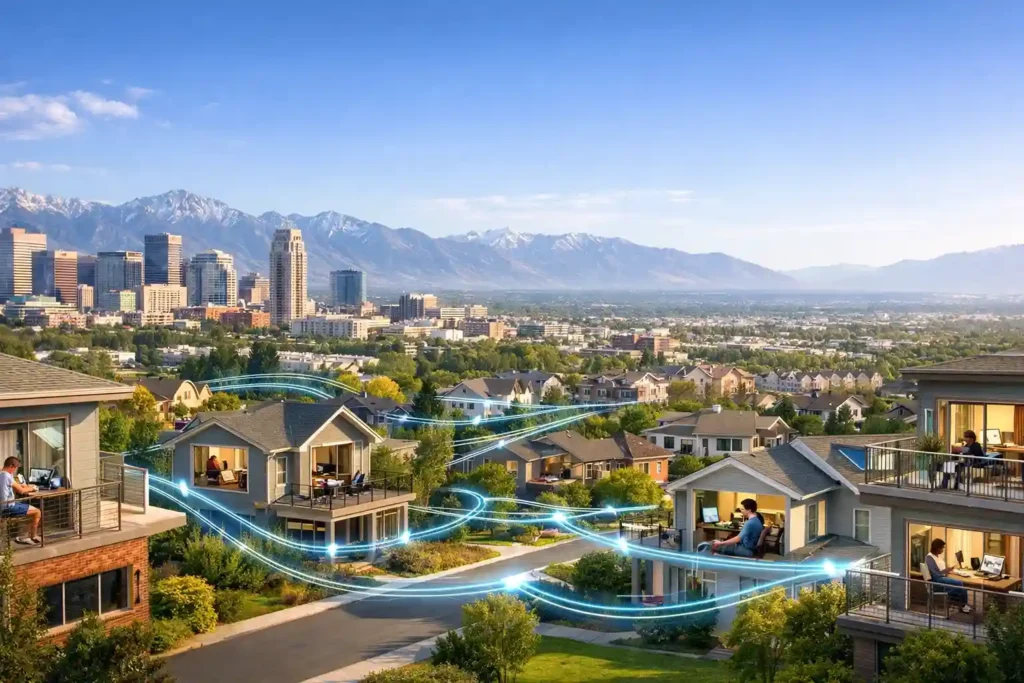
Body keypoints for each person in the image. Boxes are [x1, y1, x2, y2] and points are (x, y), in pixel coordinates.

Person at [0, 456, 42, 545]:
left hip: (4, 505)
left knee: (28, 508)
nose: (15, 470)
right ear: (11, 466)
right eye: (15, 468)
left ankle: (24, 536)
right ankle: (31, 537)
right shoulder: (6, 476)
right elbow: (21, 491)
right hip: (7, 507)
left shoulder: (2, 473)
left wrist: (23, 485)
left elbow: (15, 484)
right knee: (37, 512)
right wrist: (33, 488)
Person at [926, 538, 971, 613]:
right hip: (938, 581)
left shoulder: (938, 556)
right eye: (942, 548)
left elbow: (941, 568)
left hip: (943, 577)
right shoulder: (929, 558)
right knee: (960, 584)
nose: (943, 550)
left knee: (963, 588)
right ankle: (962, 605)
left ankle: (962, 605)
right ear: (937, 548)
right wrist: (947, 570)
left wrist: (949, 570)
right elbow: (936, 574)